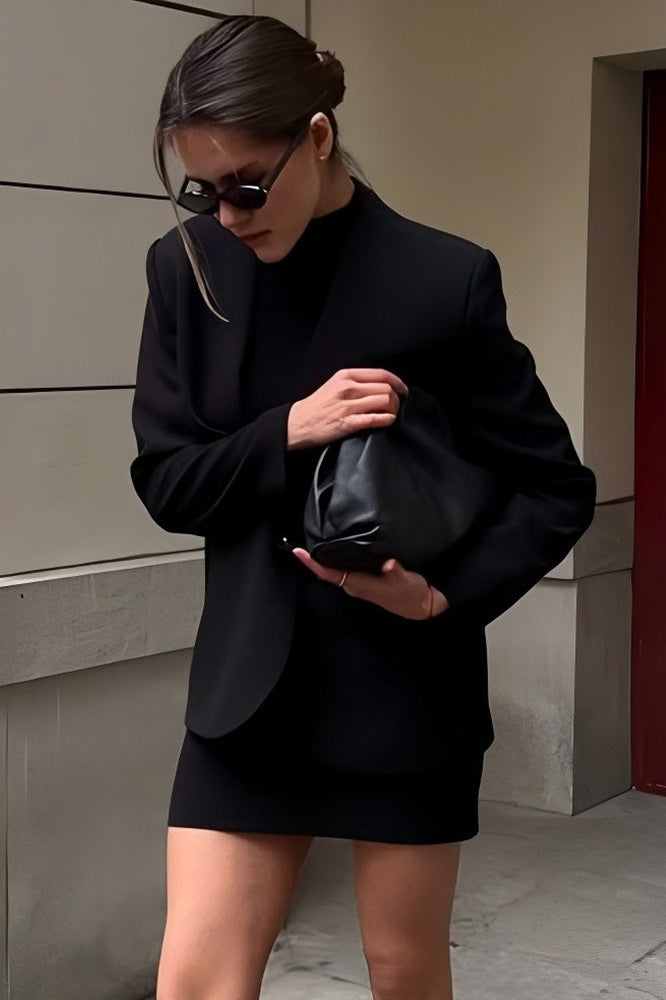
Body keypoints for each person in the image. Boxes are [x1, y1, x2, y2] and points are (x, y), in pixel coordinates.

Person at [129, 14, 596, 1000]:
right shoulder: (187, 270)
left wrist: (441, 597)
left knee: (402, 974)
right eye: (200, 191)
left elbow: (556, 486)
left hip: (404, 690)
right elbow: (168, 481)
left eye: (246, 186)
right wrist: (287, 430)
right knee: (197, 981)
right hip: (246, 696)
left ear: (318, 136)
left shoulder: (442, 279)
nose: (226, 215)